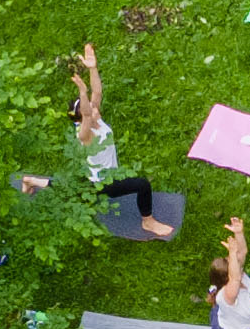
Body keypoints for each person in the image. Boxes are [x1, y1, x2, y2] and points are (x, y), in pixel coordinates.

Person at [18, 43, 179, 238]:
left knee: (69, 188)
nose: (95, 109)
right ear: (81, 118)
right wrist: (82, 93)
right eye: (89, 109)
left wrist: (92, 68)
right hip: (102, 182)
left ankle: (30, 181)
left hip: (94, 176)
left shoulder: (96, 117)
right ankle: (148, 222)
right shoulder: (84, 134)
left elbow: (98, 93)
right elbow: (87, 111)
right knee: (142, 184)